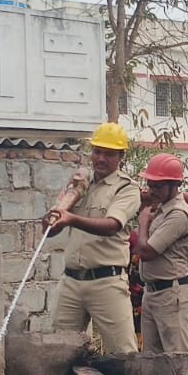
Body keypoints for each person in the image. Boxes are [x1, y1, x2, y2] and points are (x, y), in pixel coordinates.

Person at [44, 122, 141, 354]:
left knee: (123, 356)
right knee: (59, 353)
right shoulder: (81, 184)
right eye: (97, 151)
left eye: (108, 154)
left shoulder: (126, 188)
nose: (101, 158)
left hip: (106, 281)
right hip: (71, 281)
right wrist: (64, 202)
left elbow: (111, 226)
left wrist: (71, 218)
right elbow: (50, 229)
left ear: (121, 157)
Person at [132, 154, 188, 354]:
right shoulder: (159, 209)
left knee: (178, 359)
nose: (152, 191)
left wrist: (143, 222)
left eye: (158, 186)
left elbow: (146, 251)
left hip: (171, 293)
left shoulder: (178, 214)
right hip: (152, 292)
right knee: (152, 361)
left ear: (174, 185)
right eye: (151, 185)